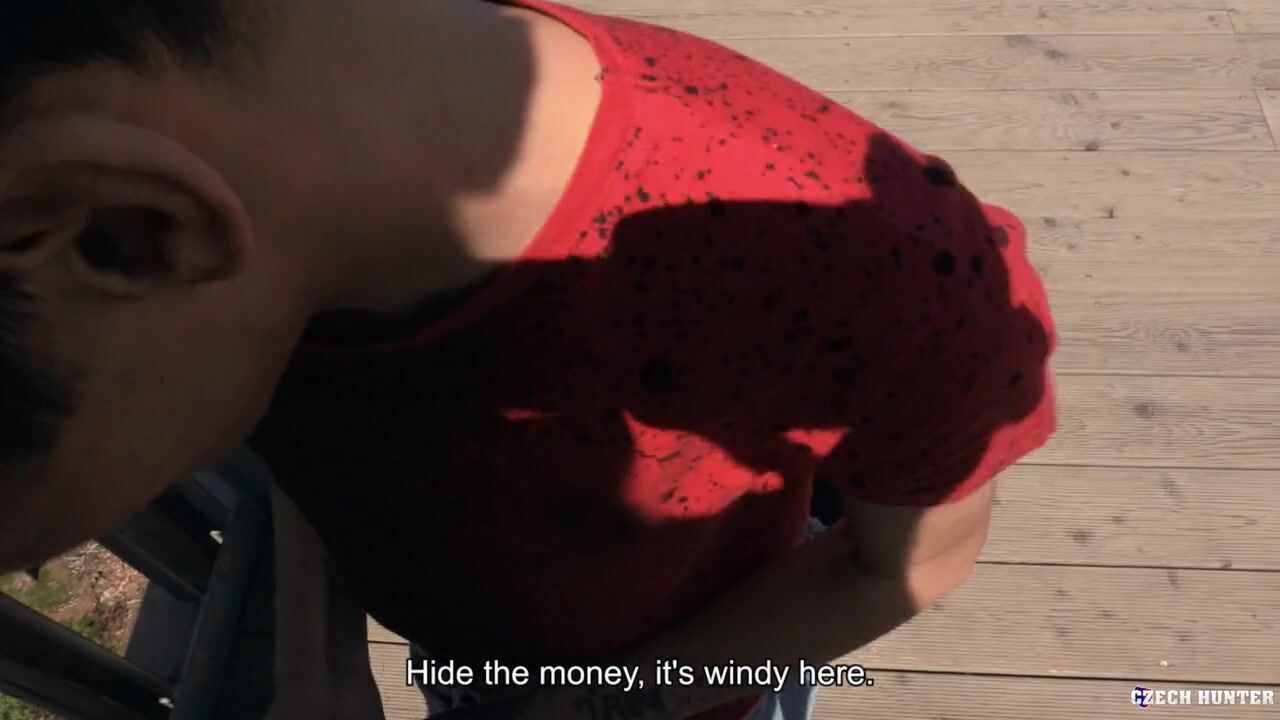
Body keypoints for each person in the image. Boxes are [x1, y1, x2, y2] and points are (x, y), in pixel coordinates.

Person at [0, 0, 1057, 718]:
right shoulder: (286, 189)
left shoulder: (879, 276)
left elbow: (908, 560)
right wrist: (314, 651)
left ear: (130, 234)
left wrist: (600, 708)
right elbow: (285, 402)